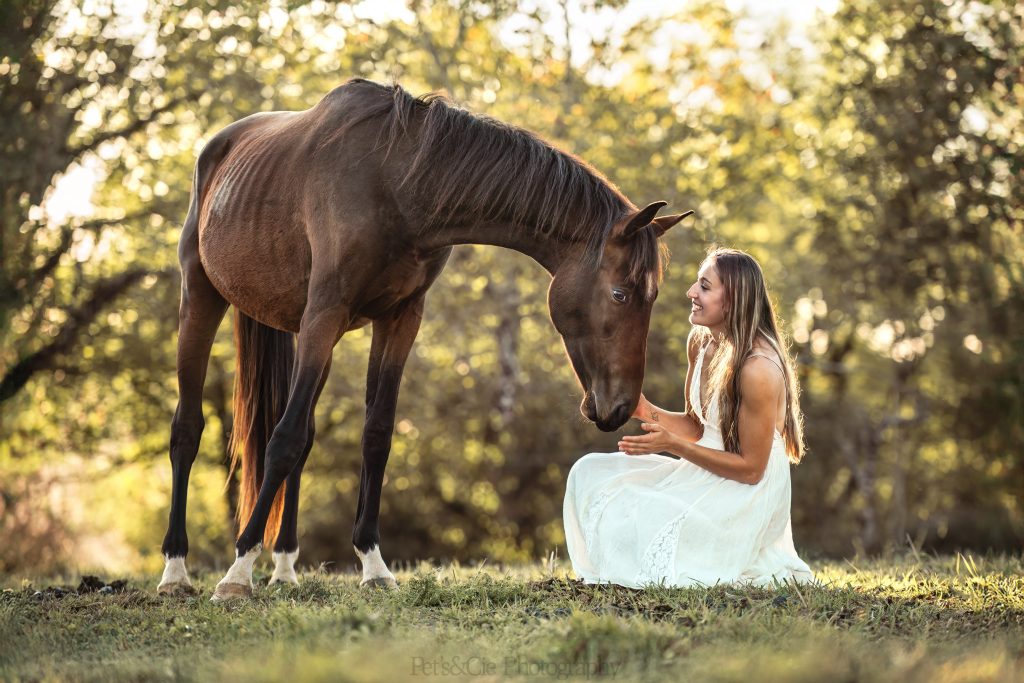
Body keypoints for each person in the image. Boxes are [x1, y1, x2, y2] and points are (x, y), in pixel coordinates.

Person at [562, 246, 815, 588]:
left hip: (744, 495)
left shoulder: (758, 370)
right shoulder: (702, 342)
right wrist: (642, 408)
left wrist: (673, 447)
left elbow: (752, 470)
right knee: (588, 473)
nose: (691, 293)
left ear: (733, 299)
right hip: (702, 472)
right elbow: (698, 426)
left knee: (646, 520)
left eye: (705, 287)